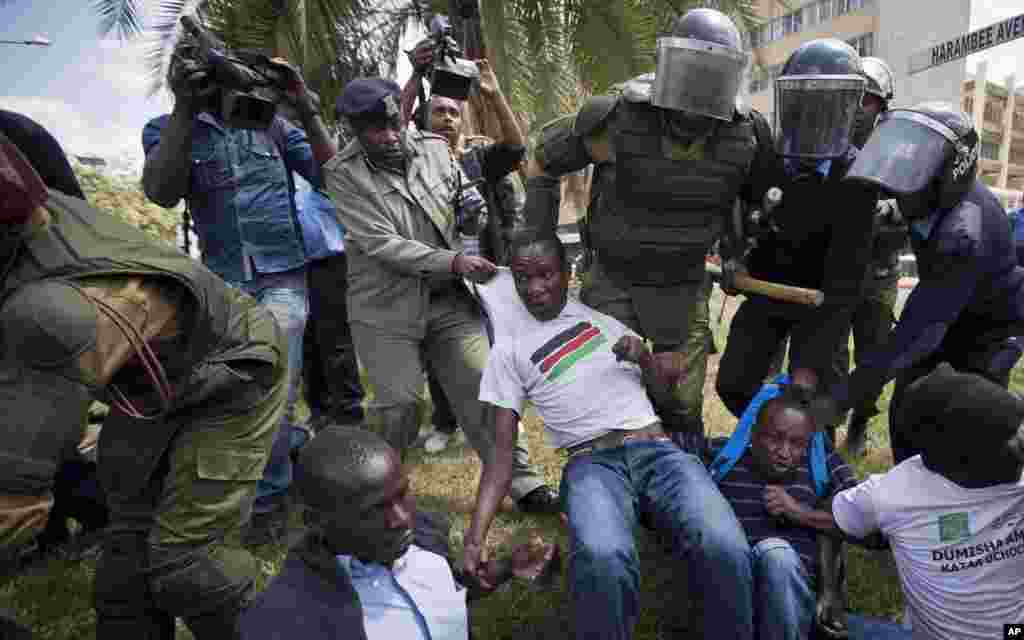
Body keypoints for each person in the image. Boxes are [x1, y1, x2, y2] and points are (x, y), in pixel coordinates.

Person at [0, 130, 287, 638]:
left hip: (230, 370)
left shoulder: (50, 314)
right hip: (148, 382)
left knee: (192, 565)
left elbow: (14, 504)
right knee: (125, 573)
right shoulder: (29, 215)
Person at [465, 230, 755, 640]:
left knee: (724, 543)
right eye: (523, 278)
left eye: (546, 275)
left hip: (657, 449)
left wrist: (646, 359)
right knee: (603, 556)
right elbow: (500, 454)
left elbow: (669, 406)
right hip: (592, 465)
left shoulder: (602, 322)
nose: (535, 288)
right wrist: (475, 539)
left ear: (567, 273)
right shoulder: (508, 351)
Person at [522, 8, 776, 455]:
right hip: (614, 280)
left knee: (680, 403)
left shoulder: (746, 136)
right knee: (608, 397)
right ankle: (609, 490)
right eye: (692, 71)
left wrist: (737, 255)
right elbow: (542, 161)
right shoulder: (618, 118)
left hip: (684, 283)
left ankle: (683, 492)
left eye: (712, 75)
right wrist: (539, 247)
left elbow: (748, 198)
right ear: (671, 65)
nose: (700, 87)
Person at [323, 77, 558, 514]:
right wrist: (452, 261)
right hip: (385, 306)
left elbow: (463, 206)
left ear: (402, 113)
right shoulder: (342, 174)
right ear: (354, 130)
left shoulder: (434, 149)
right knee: (400, 404)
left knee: (487, 389)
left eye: (394, 123)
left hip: (450, 301)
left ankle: (524, 484)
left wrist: (472, 217)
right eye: (375, 130)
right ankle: (376, 491)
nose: (390, 137)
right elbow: (381, 243)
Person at [141, 40, 335, 543]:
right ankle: (256, 479)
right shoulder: (166, 130)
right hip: (222, 282)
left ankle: (269, 500)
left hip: (283, 276)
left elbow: (334, 177)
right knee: (233, 393)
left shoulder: (271, 124)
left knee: (271, 379)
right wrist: (186, 107)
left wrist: (308, 111)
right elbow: (161, 193)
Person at [823, 102, 1024, 464]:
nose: (899, 190)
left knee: (970, 425)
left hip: (987, 333)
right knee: (908, 408)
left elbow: (915, 337)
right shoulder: (930, 197)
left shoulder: (963, 234)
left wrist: (839, 398)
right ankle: (908, 493)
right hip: (948, 312)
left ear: (949, 176)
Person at [240, 425, 557, 640]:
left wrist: (500, 571)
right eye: (374, 510)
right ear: (316, 520)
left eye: (403, 494)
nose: (403, 518)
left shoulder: (425, 536)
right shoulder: (283, 619)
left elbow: (435, 594)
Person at [715, 38, 878, 444]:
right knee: (733, 385)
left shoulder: (859, 178)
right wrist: (734, 260)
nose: (814, 113)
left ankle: (808, 457)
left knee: (816, 404)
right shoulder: (766, 159)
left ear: (847, 107)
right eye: (807, 100)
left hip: (823, 304)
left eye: (828, 102)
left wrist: (808, 368)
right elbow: (741, 218)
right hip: (768, 294)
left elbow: (846, 280)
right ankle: (767, 440)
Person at [830, 364, 1024, 639]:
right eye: (1007, 439)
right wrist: (794, 510)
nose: (1020, 446)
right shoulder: (897, 493)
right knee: (828, 626)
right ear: (961, 460)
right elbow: (835, 517)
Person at [402, 48, 527, 454]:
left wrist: (492, 93)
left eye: (455, 112)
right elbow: (393, 127)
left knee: (496, 350)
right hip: (437, 275)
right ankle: (444, 421)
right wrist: (414, 79)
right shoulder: (411, 162)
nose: (449, 118)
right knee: (440, 351)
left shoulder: (477, 160)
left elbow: (515, 147)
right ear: (424, 121)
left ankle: (504, 419)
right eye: (439, 111)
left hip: (484, 274)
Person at [709, 371, 862, 639]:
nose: (784, 451)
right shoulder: (726, 456)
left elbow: (863, 523)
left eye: (796, 443)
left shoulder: (822, 464)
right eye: (774, 438)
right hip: (736, 595)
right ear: (754, 433)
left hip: (795, 600)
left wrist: (798, 512)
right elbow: (661, 446)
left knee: (776, 555)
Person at [834, 56, 907, 457]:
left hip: (878, 271)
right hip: (834, 269)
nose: (859, 106)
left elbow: (915, 200)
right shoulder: (827, 138)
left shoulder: (900, 148)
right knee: (828, 352)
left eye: (869, 100)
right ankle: (823, 426)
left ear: (882, 106)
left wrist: (891, 209)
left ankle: (859, 424)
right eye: (854, 97)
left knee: (872, 356)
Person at [295, 172, 366, 433]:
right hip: (290, 266)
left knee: (336, 341)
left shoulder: (316, 165)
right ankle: (320, 411)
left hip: (329, 263)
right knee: (306, 343)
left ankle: (349, 415)